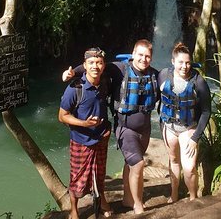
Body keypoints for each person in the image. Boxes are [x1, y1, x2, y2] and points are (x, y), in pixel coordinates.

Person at [62, 39, 159, 214]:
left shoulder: (152, 74)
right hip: (109, 131)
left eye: (147, 56)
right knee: (78, 177)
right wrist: (72, 73)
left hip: (111, 134)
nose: (143, 59)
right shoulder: (118, 69)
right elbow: (91, 64)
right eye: (140, 55)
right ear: (133, 54)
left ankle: (122, 200)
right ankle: (136, 204)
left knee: (105, 172)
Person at [58, 47, 113, 219]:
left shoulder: (105, 82)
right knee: (77, 178)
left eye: (99, 62)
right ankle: (74, 209)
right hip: (81, 140)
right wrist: (84, 123)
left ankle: (102, 199)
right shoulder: (75, 88)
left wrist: (107, 129)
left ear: (104, 65)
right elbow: (62, 116)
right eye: (91, 63)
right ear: (85, 65)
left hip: (100, 139)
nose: (95, 66)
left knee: (100, 173)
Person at [157, 42, 211, 202]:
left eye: (187, 62)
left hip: (189, 128)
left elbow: (207, 111)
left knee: (189, 168)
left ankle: (193, 198)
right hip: (169, 127)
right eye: (181, 62)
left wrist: (195, 138)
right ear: (173, 62)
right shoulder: (163, 75)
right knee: (173, 161)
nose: (184, 66)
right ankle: (174, 195)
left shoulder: (199, 82)